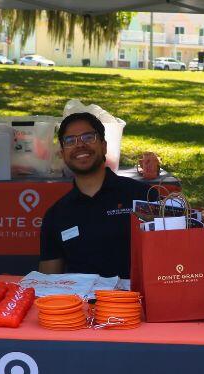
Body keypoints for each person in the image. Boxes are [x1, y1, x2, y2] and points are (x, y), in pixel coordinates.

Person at [39, 112, 159, 279]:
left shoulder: (142, 196)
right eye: (70, 140)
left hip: (136, 302)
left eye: (88, 137)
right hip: (82, 303)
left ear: (104, 146)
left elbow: (165, 259)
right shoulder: (56, 215)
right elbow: (49, 281)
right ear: (63, 153)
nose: (80, 145)